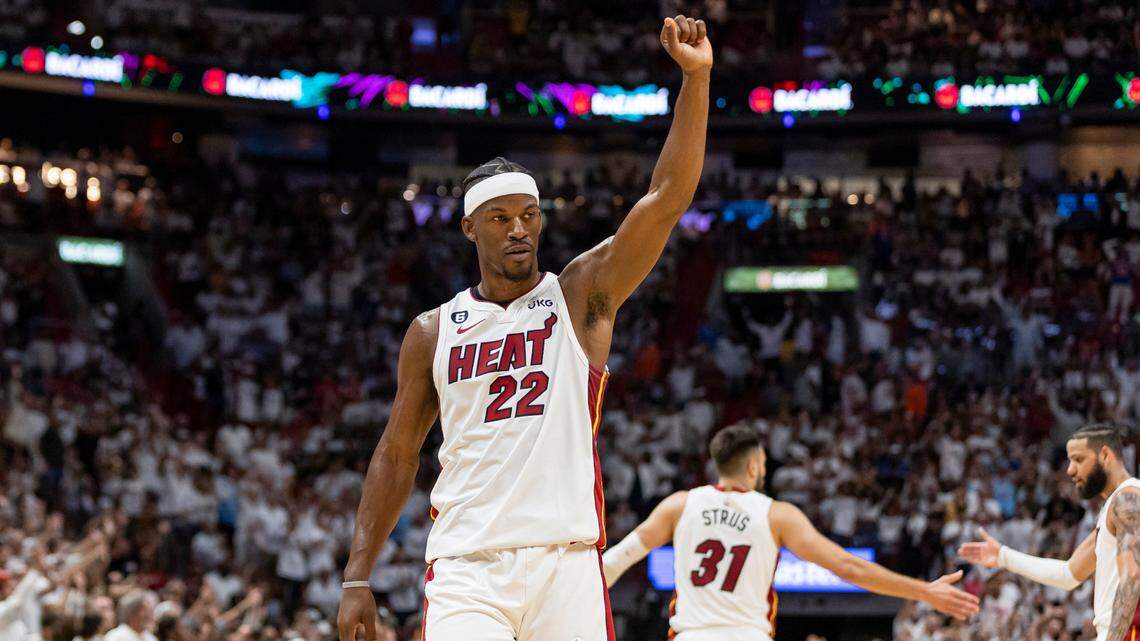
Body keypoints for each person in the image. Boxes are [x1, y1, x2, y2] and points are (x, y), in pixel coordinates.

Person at [338, 14, 714, 641]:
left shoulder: (580, 295)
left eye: (529, 215)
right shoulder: (433, 331)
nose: (518, 229)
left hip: (565, 561)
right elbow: (398, 453)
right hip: (466, 566)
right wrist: (357, 576)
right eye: (501, 217)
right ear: (469, 228)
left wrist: (696, 81)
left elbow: (667, 197)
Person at [601, 425, 980, 641]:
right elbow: (850, 568)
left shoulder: (678, 505)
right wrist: (923, 590)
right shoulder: (777, 514)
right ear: (753, 467)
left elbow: (615, 562)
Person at [959, 422, 1140, 641]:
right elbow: (1069, 574)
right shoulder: (1115, 506)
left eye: (1079, 460)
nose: (1070, 470)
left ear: (1104, 455)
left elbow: (1133, 575)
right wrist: (1004, 556)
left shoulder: (1128, 498)